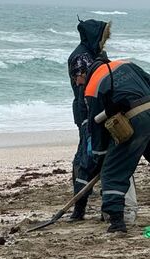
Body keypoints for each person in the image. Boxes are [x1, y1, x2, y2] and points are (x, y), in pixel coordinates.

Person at [74, 54, 150, 233]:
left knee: (112, 171)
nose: (77, 83)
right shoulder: (125, 64)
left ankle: (117, 222)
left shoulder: (92, 88)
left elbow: (96, 128)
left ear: (83, 72)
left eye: (76, 77)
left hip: (135, 120)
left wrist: (99, 157)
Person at [66, 18, 112, 221]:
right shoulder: (81, 58)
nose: (105, 41)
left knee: (90, 150)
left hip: (96, 109)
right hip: (87, 111)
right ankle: (80, 196)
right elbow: (83, 89)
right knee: (85, 152)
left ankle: (84, 192)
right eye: (103, 36)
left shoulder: (94, 54)